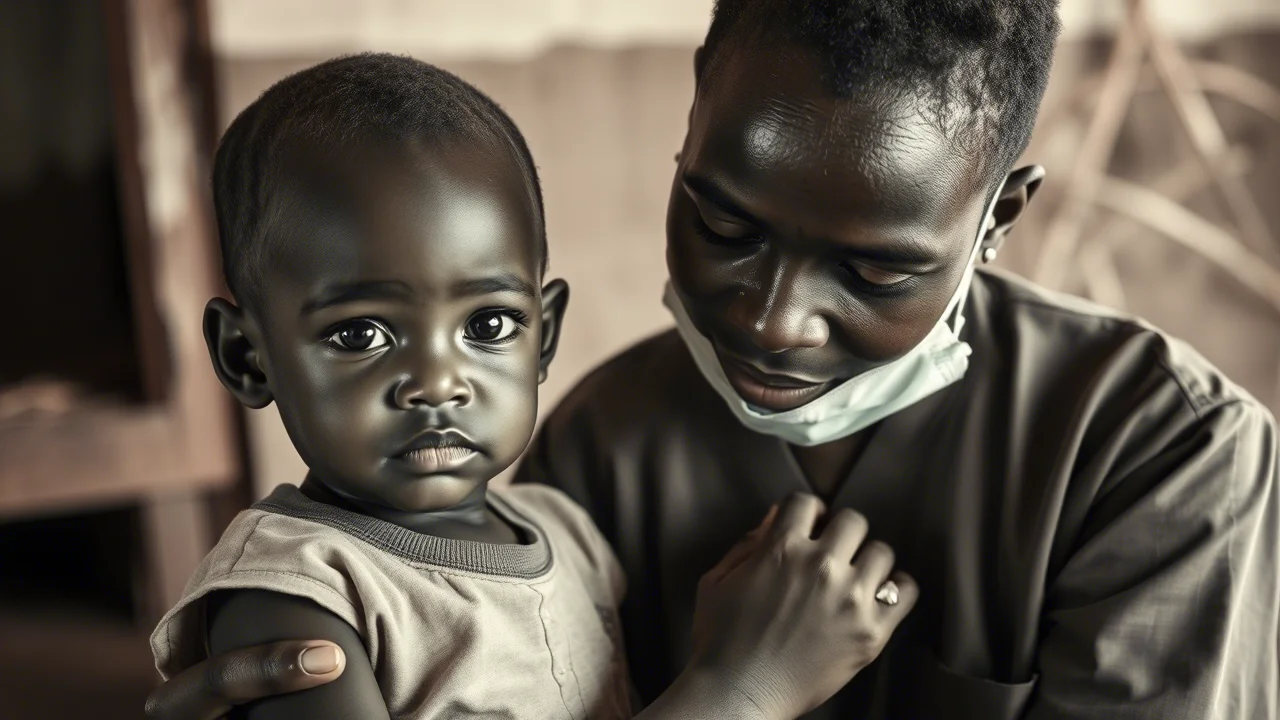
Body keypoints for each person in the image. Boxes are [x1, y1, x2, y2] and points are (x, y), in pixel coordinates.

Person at [146, 1, 1280, 718]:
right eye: (724, 224)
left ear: (998, 217)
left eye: (875, 268)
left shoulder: (1162, 453)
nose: (775, 323)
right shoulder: (595, 457)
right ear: (691, 119)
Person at [147, 52, 920, 720]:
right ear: (248, 358)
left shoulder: (570, 536)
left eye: (488, 326)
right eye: (360, 335)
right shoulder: (296, 595)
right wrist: (742, 690)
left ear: (543, 337)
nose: (438, 384)